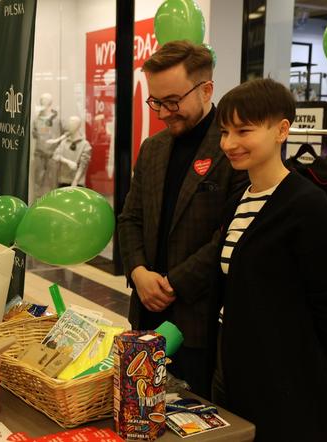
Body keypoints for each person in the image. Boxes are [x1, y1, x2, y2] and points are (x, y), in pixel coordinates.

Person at [213, 78, 327, 441]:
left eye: (243, 130)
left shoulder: (306, 205)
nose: (229, 143)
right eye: (225, 131)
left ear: (281, 130)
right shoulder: (238, 201)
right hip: (236, 369)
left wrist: (306, 362)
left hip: (283, 384)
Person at [117, 40, 247, 399]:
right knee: (141, 411)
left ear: (206, 89)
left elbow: (230, 236)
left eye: (172, 101)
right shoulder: (153, 148)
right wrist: (139, 272)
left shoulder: (233, 148)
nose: (163, 112)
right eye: (155, 101)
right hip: (144, 316)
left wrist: (174, 282)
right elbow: (129, 218)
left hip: (200, 320)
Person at [32, 92, 61, 197]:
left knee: (53, 181)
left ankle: (54, 201)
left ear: (50, 102)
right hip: (39, 153)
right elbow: (35, 134)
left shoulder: (57, 119)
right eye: (41, 100)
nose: (42, 102)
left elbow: (66, 133)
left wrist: (56, 141)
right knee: (38, 180)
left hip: (53, 154)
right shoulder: (36, 119)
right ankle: (37, 202)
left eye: (44, 100)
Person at [51, 115, 92, 187]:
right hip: (63, 181)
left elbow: (83, 165)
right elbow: (55, 155)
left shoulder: (85, 145)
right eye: (69, 123)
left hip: (77, 183)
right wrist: (68, 162)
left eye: (72, 123)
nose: (69, 125)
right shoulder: (64, 142)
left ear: (77, 126)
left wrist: (75, 181)